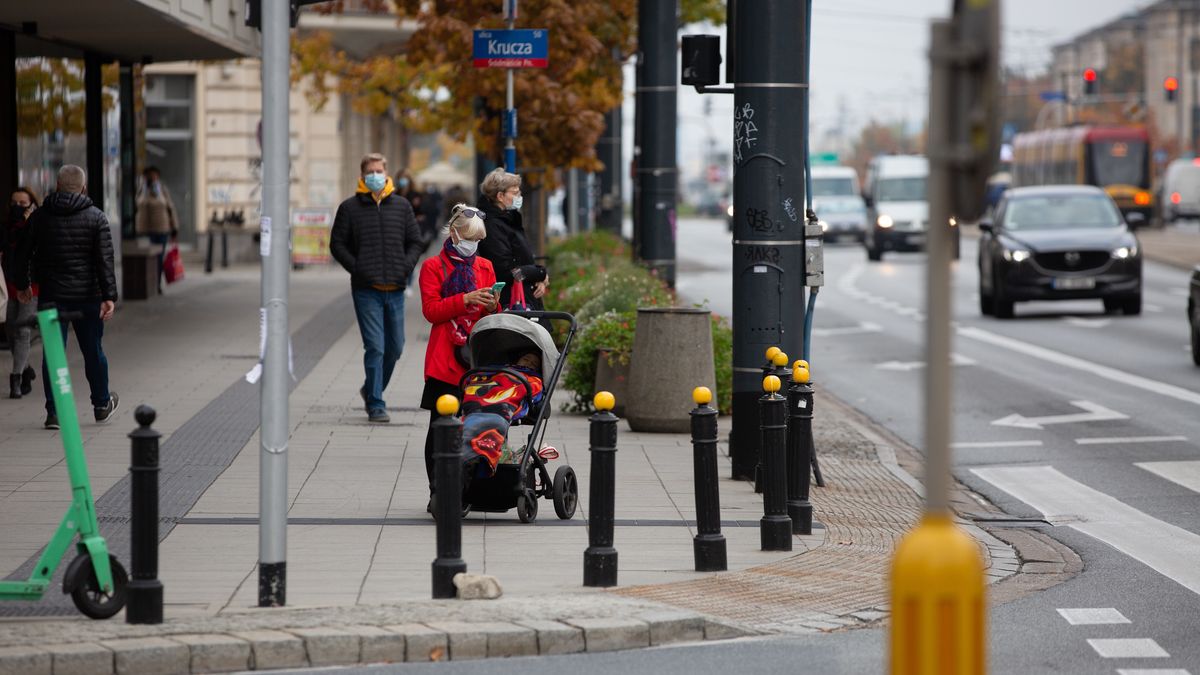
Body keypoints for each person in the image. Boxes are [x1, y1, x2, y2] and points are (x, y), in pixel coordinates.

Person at [12, 165, 119, 430]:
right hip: (89, 296)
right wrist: (109, 296)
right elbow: (105, 261)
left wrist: (22, 285)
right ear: (83, 188)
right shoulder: (96, 218)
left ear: (57, 186)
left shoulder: (39, 218)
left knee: (53, 354)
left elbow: (21, 254)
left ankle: (54, 412)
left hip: (52, 296)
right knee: (93, 350)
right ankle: (101, 404)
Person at [330, 152, 426, 424]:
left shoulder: (402, 206)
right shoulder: (349, 208)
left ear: (386, 173)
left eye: (379, 171)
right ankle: (376, 403)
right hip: (366, 289)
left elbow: (416, 242)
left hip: (395, 287)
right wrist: (358, 268)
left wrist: (404, 267)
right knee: (375, 346)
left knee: (395, 347)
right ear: (362, 176)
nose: (376, 175)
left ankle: (371, 388)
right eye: (370, 171)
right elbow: (337, 244)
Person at [419, 203, 497, 507]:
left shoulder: (485, 267)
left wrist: (492, 306)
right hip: (444, 359)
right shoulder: (433, 267)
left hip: (475, 357)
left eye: (478, 240)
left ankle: (465, 488)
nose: (473, 246)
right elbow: (431, 311)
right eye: (469, 239)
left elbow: (492, 315)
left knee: (475, 425)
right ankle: (437, 489)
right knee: (440, 426)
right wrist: (464, 299)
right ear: (453, 233)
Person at [460, 349, 544, 480]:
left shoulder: (533, 379)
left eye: (534, 364)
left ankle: (478, 464)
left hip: (502, 406)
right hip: (480, 400)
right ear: (517, 360)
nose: (528, 364)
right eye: (526, 359)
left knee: (493, 424)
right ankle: (472, 463)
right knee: (467, 424)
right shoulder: (494, 370)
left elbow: (533, 394)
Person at [476, 168, 549, 310]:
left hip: (525, 298)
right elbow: (506, 270)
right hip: (511, 303)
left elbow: (521, 261)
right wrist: (539, 273)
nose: (519, 196)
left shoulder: (509, 219)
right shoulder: (492, 225)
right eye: (515, 193)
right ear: (500, 196)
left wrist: (538, 278)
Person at [3, 188, 39, 399]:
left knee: (23, 330)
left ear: (32, 204)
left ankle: (15, 379)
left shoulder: (37, 224)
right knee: (10, 328)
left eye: (23, 203)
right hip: (9, 283)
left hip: (32, 284)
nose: (18, 207)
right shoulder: (6, 228)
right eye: (14, 203)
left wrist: (28, 224)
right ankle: (26, 370)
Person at [134, 166, 178, 294]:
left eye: (154, 175)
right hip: (145, 229)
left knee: (159, 258)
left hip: (162, 228)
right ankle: (148, 284)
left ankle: (157, 283)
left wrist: (174, 227)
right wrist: (145, 190)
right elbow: (138, 204)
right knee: (148, 259)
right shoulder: (142, 190)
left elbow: (170, 207)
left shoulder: (162, 190)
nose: (152, 178)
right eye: (149, 176)